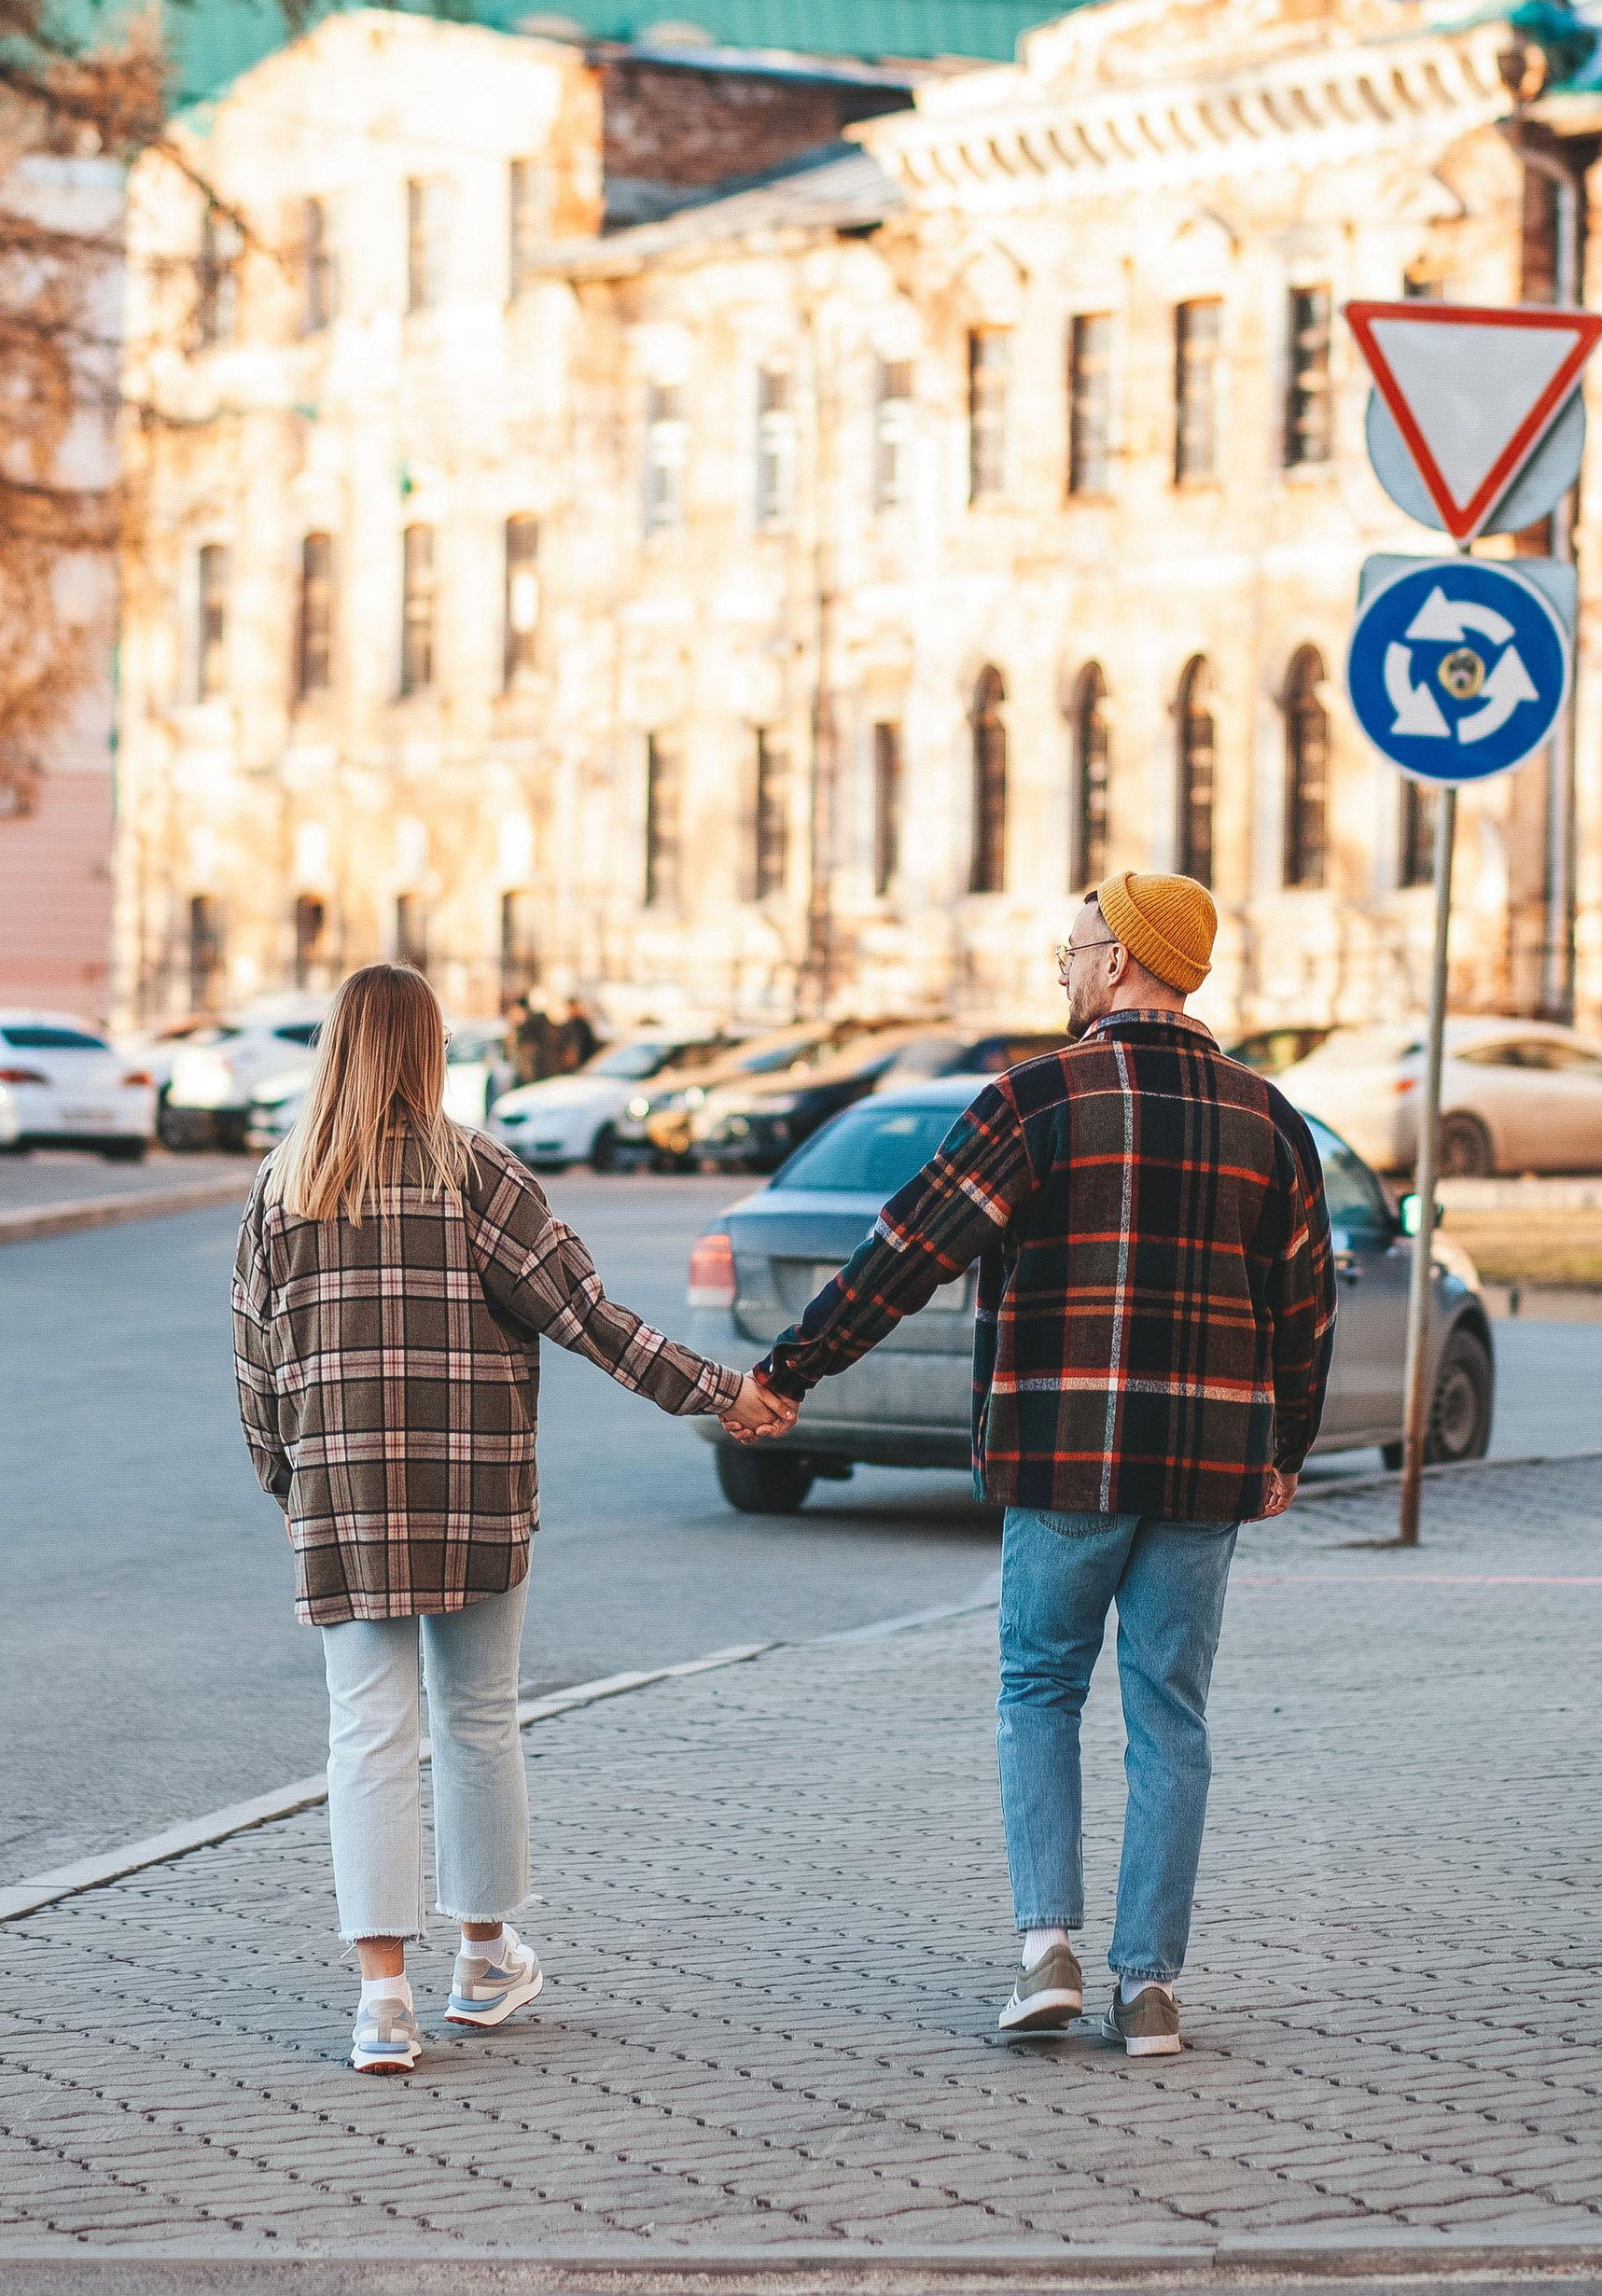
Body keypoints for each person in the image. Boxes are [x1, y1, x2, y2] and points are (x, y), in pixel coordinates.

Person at [756, 873, 1333, 2057]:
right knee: (1170, 1714)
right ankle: (1152, 1989)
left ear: (1119, 959)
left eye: (1070, 949)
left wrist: (793, 1369)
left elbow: (906, 1247)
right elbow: (1305, 1306)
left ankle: (1048, 1955)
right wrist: (1286, 1446)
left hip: (1066, 1454)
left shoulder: (1035, 1098)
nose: (1061, 970)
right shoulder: (1269, 1120)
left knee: (1039, 1693)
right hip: (1204, 1467)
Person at [235, 960, 799, 2074]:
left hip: (344, 1499)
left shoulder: (283, 1187)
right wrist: (721, 1391)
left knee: (368, 1735)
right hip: (475, 1492)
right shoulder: (478, 1174)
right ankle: (485, 1959)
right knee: (478, 1719)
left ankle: (381, 2002)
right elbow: (591, 1319)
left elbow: (256, 1368)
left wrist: (291, 1484)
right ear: (428, 1050)